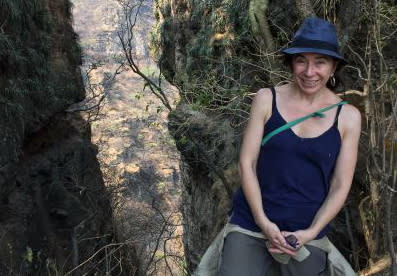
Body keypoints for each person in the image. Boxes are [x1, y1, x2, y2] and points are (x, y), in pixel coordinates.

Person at [218, 17, 362, 275]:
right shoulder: (266, 99)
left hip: (305, 232)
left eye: (320, 62)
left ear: (333, 67)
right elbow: (247, 163)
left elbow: (340, 185)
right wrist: (264, 223)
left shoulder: (348, 117)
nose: (309, 72)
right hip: (251, 224)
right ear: (291, 63)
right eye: (301, 61)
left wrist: (310, 233)